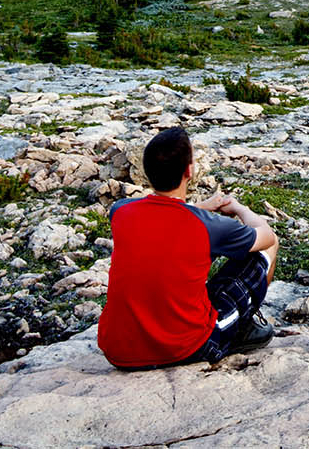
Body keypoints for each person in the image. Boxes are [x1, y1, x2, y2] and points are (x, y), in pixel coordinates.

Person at [97, 126, 279, 368]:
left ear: (146, 171)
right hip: (187, 348)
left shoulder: (120, 211)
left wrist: (200, 206)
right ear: (189, 171)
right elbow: (267, 236)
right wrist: (237, 208)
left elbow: (161, 216)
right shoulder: (207, 226)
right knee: (263, 252)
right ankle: (242, 327)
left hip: (118, 352)